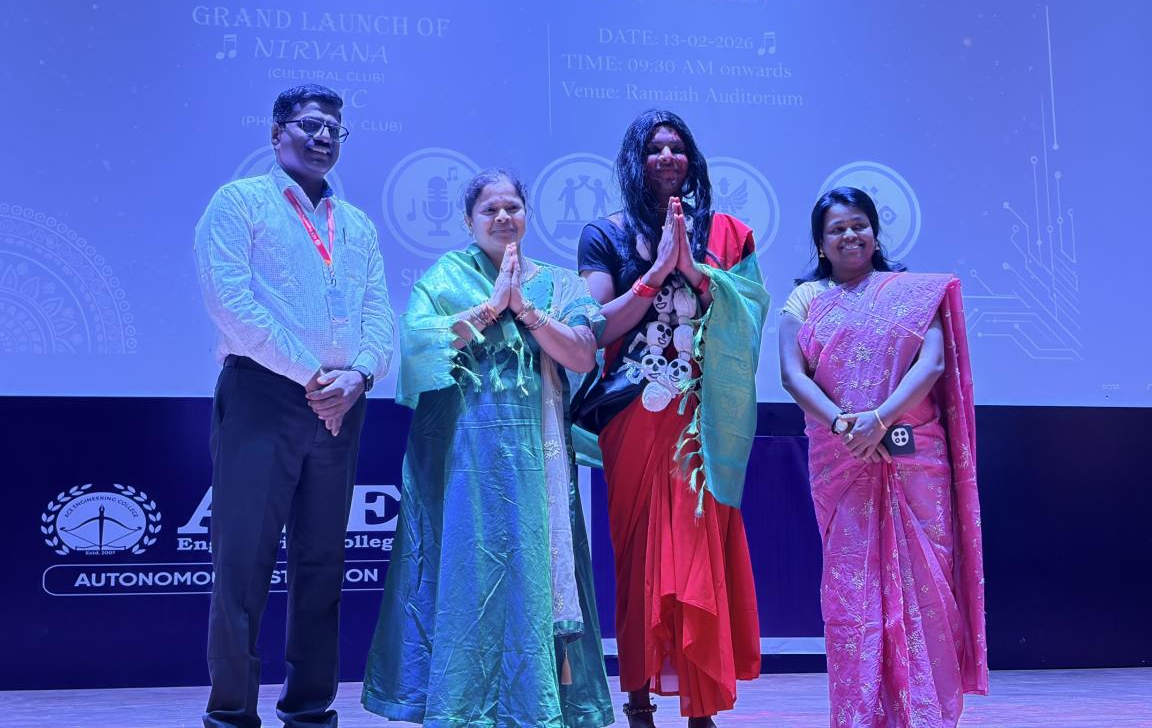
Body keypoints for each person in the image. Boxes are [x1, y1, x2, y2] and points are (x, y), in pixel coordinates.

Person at [362, 168, 614, 728]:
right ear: (468, 221)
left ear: (526, 214)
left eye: (512, 207)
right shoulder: (445, 278)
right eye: (490, 210)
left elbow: (581, 354)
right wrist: (488, 307)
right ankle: (460, 707)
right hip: (464, 462)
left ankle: (536, 706)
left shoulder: (558, 284)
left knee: (537, 576)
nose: (503, 217)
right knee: (467, 575)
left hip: (538, 460)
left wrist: (524, 308)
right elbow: (419, 345)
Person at [194, 84, 394, 727]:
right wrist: (315, 377)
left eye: (335, 128)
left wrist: (360, 375)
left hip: (343, 402)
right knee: (243, 563)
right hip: (264, 394)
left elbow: (379, 314)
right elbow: (231, 303)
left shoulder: (356, 223)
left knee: (322, 563)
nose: (324, 137)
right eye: (310, 125)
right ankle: (231, 714)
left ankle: (310, 711)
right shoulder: (238, 203)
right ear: (276, 132)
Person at [574, 110, 770, 727]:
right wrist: (657, 273)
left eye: (677, 147)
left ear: (693, 159)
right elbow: (594, 327)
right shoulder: (604, 235)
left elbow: (750, 318)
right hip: (633, 412)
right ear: (636, 160)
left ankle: (699, 704)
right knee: (637, 555)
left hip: (704, 414)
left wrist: (696, 273)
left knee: (698, 547)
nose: (666, 157)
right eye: (654, 148)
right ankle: (637, 696)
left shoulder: (729, 234)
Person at [778, 187, 988, 727]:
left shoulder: (912, 294)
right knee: (853, 596)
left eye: (859, 225)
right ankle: (861, 716)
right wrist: (843, 423)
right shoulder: (805, 299)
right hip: (841, 458)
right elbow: (792, 375)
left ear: (874, 232)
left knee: (928, 588)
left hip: (914, 459)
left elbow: (932, 364)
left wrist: (880, 419)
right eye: (837, 229)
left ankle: (926, 715)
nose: (850, 235)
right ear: (820, 243)